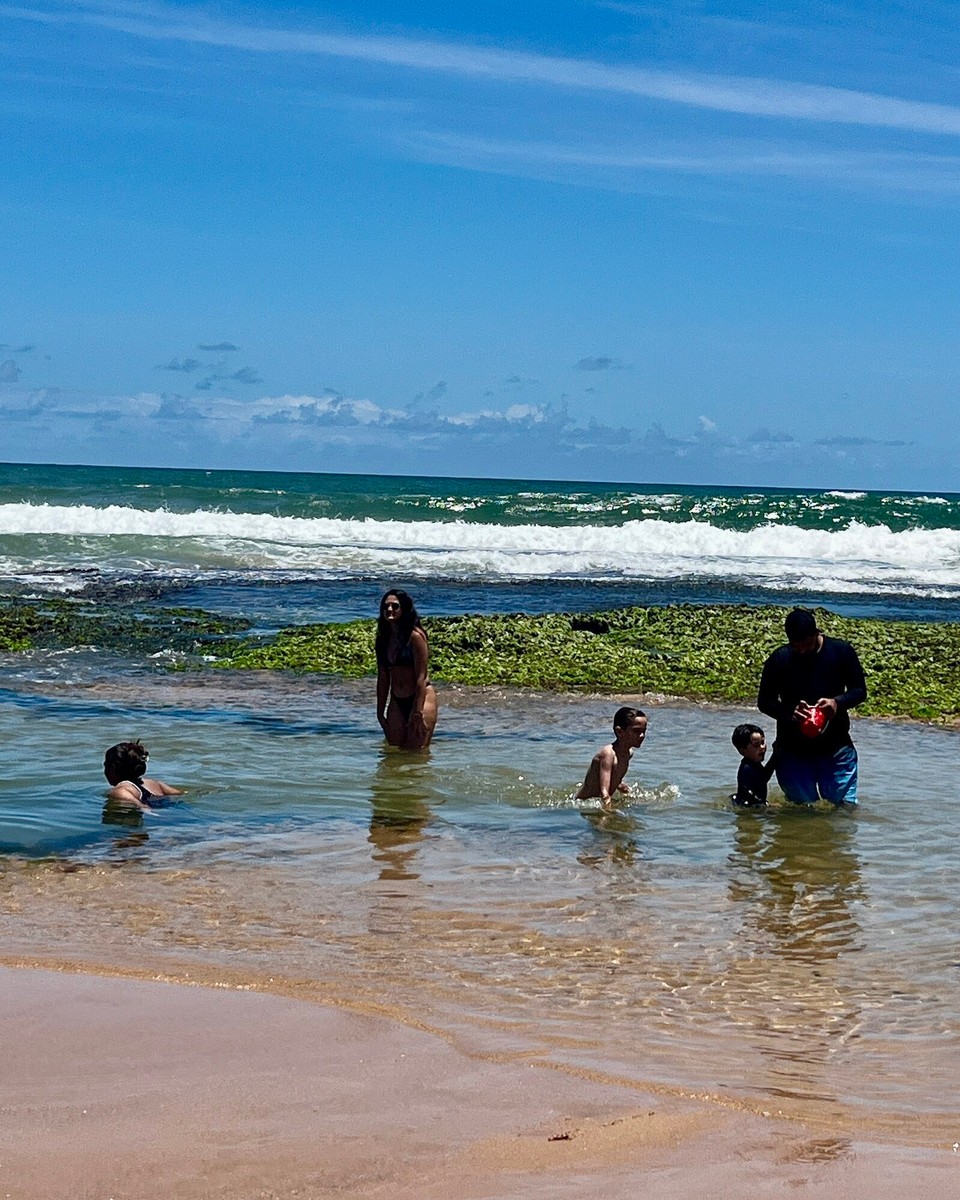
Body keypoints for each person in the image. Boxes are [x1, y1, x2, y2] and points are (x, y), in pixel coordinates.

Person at [757, 608, 866, 807]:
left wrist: (837, 702)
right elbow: (764, 702)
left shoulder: (841, 652)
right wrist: (790, 713)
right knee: (801, 812)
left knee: (843, 810)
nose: (802, 651)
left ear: (816, 633)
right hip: (792, 749)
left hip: (836, 748)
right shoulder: (779, 659)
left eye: (806, 645)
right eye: (796, 646)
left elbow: (860, 691)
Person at [375, 589, 438, 751]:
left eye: (395, 606)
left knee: (417, 753)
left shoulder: (415, 637)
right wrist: (380, 713)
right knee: (394, 752)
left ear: (404, 609)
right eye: (386, 606)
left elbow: (421, 677)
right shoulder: (383, 639)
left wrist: (417, 712)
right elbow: (383, 678)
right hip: (397, 699)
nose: (390, 610)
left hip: (420, 698)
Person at [576, 707, 647, 808]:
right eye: (636, 731)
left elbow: (614, 776)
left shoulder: (628, 753)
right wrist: (609, 813)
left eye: (644, 731)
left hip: (599, 801)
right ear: (619, 732)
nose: (642, 736)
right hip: (584, 805)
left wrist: (624, 788)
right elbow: (604, 793)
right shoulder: (608, 754)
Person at [103, 740, 183, 810]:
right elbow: (182, 794)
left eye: (105, 765)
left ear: (112, 769)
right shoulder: (154, 783)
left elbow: (145, 809)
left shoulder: (120, 791)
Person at [731, 722, 776, 807]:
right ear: (742, 751)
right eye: (756, 745)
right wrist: (763, 804)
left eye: (762, 742)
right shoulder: (746, 768)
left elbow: (763, 778)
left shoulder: (755, 764)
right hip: (746, 806)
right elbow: (746, 792)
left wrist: (775, 756)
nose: (762, 747)